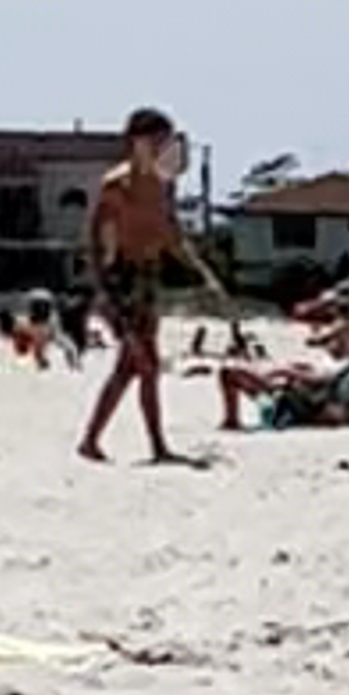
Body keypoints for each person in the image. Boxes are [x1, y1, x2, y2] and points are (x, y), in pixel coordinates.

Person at [81, 110, 196, 464]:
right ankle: (158, 446)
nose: (165, 148)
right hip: (123, 279)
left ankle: (90, 441)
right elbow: (97, 243)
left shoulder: (162, 184)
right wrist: (103, 291)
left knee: (129, 368)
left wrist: (185, 253)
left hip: (149, 277)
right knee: (146, 364)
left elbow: (167, 230)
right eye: (160, 140)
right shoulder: (116, 186)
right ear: (139, 141)